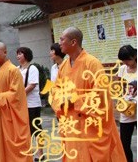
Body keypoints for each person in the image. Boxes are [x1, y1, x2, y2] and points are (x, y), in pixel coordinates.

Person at [51, 27, 125, 162]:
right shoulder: (63, 66)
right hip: (72, 125)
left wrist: (74, 101)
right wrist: (60, 101)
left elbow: (101, 95)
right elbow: (55, 90)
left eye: (62, 39)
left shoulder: (92, 63)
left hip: (89, 126)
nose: (59, 43)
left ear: (73, 42)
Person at [0, 42, 32, 162]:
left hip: (8, 117)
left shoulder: (13, 71)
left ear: (5, 52)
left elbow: (17, 95)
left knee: (12, 148)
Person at [16, 47, 43, 160]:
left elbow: (32, 85)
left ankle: (40, 153)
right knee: (25, 129)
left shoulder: (32, 68)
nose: (18, 56)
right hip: (22, 104)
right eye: (17, 54)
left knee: (36, 129)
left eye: (20, 54)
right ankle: (29, 151)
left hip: (32, 104)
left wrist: (19, 95)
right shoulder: (17, 69)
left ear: (26, 55)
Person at [116, 45, 137, 162]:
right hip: (126, 110)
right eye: (123, 61)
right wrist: (121, 99)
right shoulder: (122, 69)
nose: (126, 63)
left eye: (128, 60)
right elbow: (119, 87)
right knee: (124, 144)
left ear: (134, 56)